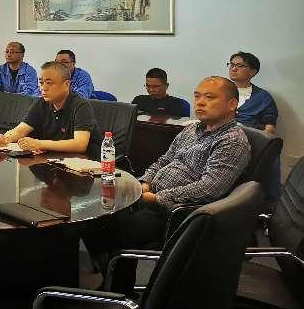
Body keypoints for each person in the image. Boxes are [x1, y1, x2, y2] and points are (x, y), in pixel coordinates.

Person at [87, 76, 250, 291]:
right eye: (197, 96)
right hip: (149, 197)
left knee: (113, 229)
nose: (200, 102)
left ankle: (118, 290)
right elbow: (163, 160)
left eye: (210, 97)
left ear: (232, 104)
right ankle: (113, 279)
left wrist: (155, 198)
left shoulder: (232, 141)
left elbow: (210, 188)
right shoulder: (191, 130)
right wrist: (145, 182)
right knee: (91, 218)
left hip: (175, 214)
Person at [0, 61, 101, 155]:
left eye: (49, 83)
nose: (43, 88)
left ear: (66, 84)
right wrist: (5, 138)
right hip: (56, 160)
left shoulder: (81, 106)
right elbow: (20, 130)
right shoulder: (42, 103)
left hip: (86, 164)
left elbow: (80, 145)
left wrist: (39, 144)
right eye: (41, 83)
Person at [228, 51, 281, 206]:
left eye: (240, 65)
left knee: (271, 153)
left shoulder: (263, 97)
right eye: (231, 65)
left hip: (250, 139)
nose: (233, 68)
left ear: (253, 72)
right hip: (222, 135)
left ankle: (270, 204)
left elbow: (270, 129)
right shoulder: (220, 90)